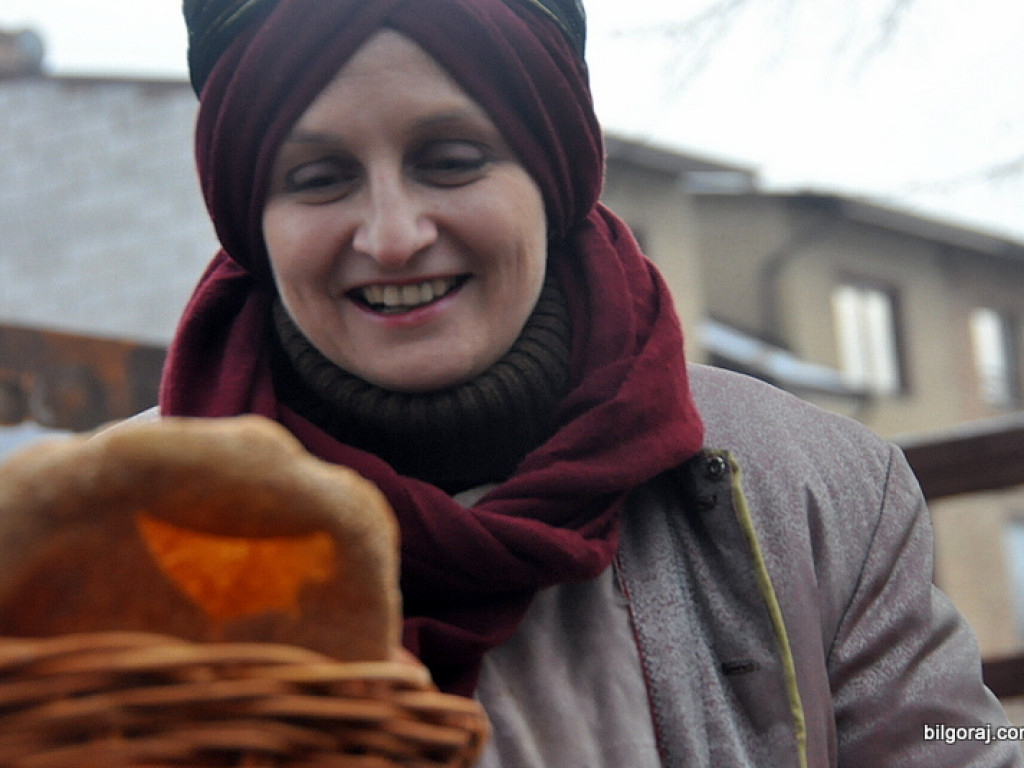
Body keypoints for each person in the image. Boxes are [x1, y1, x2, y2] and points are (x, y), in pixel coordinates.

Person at [158, 0, 1023, 765]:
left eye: (451, 159)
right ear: (249, 217)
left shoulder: (817, 493)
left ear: (553, 174)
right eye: (318, 178)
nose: (392, 235)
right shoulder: (111, 534)